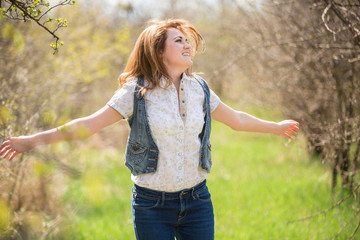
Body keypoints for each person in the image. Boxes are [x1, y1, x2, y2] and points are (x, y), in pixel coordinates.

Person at [0, 19, 299, 240]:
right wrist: (32, 140)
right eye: (178, 40)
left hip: (197, 200)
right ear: (158, 51)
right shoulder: (136, 92)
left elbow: (237, 120)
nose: (187, 45)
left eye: (187, 40)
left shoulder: (200, 89)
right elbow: (87, 125)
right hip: (151, 205)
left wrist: (275, 127)